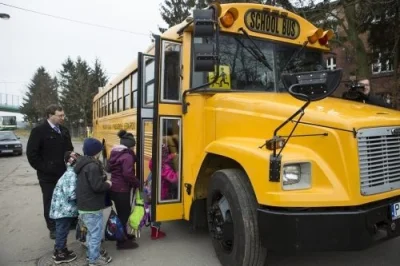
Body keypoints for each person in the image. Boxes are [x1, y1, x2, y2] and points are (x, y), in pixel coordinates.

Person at [26, 104, 74, 239]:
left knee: (66, 199)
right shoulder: (39, 131)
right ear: (50, 115)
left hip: (64, 174)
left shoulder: (64, 130)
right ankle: (52, 227)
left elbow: (69, 148)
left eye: (63, 115)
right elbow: (32, 155)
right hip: (47, 177)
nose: (62, 118)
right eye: (60, 115)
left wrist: (71, 158)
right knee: (50, 201)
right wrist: (45, 168)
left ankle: (68, 222)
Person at [75, 138, 112, 266]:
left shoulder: (82, 163)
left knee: (91, 233)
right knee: (96, 235)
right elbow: (97, 187)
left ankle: (91, 256)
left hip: (84, 205)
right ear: (96, 152)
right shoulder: (92, 166)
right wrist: (107, 183)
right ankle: (93, 261)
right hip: (92, 207)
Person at [108, 129, 139, 249]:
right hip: (122, 189)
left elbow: (109, 168)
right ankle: (121, 242)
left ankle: (124, 235)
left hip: (114, 188)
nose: (134, 149)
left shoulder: (115, 153)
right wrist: (137, 183)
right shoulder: (127, 156)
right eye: (133, 147)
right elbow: (127, 174)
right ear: (130, 146)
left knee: (122, 213)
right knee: (124, 215)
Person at [49, 151, 80, 264]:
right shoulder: (71, 175)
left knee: (62, 230)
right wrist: (81, 198)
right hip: (63, 210)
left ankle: (61, 249)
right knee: (62, 231)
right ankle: (60, 254)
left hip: (61, 209)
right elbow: (71, 194)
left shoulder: (68, 172)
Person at [146, 143, 178, 239]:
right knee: (157, 213)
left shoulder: (155, 161)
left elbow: (165, 158)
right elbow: (173, 178)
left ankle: (155, 230)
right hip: (160, 192)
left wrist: (173, 155)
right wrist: (179, 172)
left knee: (153, 211)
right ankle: (155, 234)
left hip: (153, 192)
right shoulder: (163, 166)